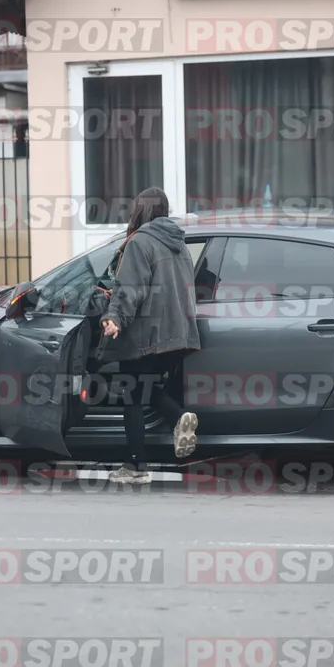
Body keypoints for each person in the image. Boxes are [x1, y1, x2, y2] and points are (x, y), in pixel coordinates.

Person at [97, 187, 201, 484]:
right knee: (147, 389)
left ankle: (135, 467)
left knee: (132, 395)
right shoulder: (179, 244)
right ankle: (177, 417)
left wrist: (114, 317)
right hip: (179, 335)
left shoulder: (140, 242)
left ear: (140, 210)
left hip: (147, 335)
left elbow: (131, 288)